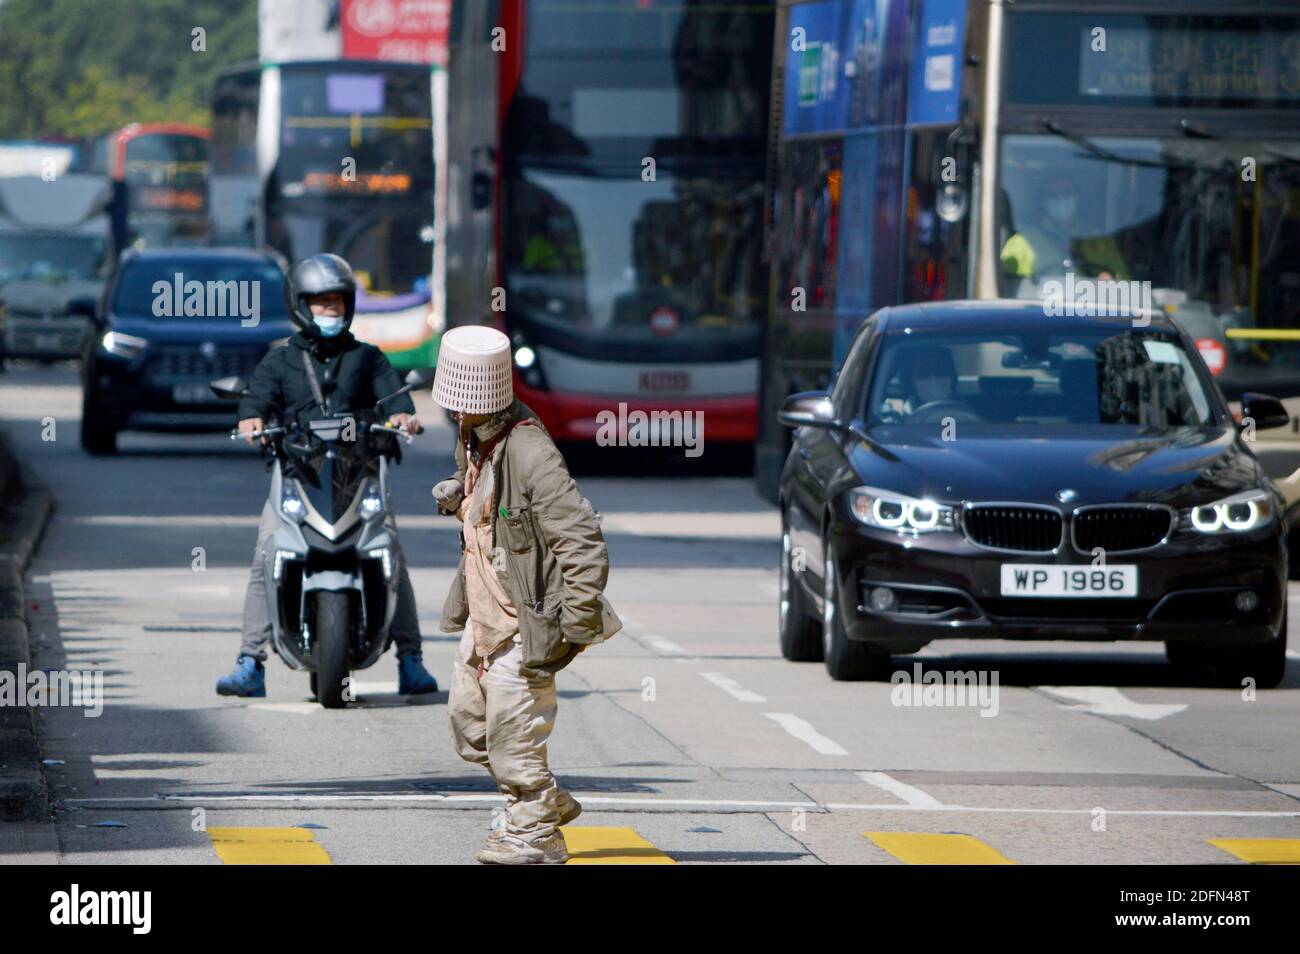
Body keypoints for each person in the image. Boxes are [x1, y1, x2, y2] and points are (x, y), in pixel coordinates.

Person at [431, 325, 619, 865]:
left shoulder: (532, 452)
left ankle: (536, 831)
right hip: (482, 616)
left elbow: (582, 540)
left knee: (515, 742)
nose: (454, 413)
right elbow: (487, 499)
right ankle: (544, 799)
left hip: (526, 622)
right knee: (470, 732)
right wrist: (457, 495)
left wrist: (573, 625)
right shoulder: (475, 437)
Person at [215, 253, 438, 698]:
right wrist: (251, 421)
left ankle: (411, 659)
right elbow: (254, 401)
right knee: (266, 553)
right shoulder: (279, 361)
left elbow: (396, 400)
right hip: (299, 474)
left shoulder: (369, 358)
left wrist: (403, 419)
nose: (330, 310)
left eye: (337, 301)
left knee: (389, 550)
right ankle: (250, 661)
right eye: (320, 302)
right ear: (300, 305)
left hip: (359, 475)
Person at [1000, 174, 1130, 285]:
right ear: (1043, 201)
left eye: (1066, 193)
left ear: (1077, 197)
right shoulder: (1023, 241)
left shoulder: (1100, 241)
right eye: (1053, 195)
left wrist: (1109, 280)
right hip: (1040, 312)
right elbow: (1006, 285)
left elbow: (1125, 285)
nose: (1060, 199)